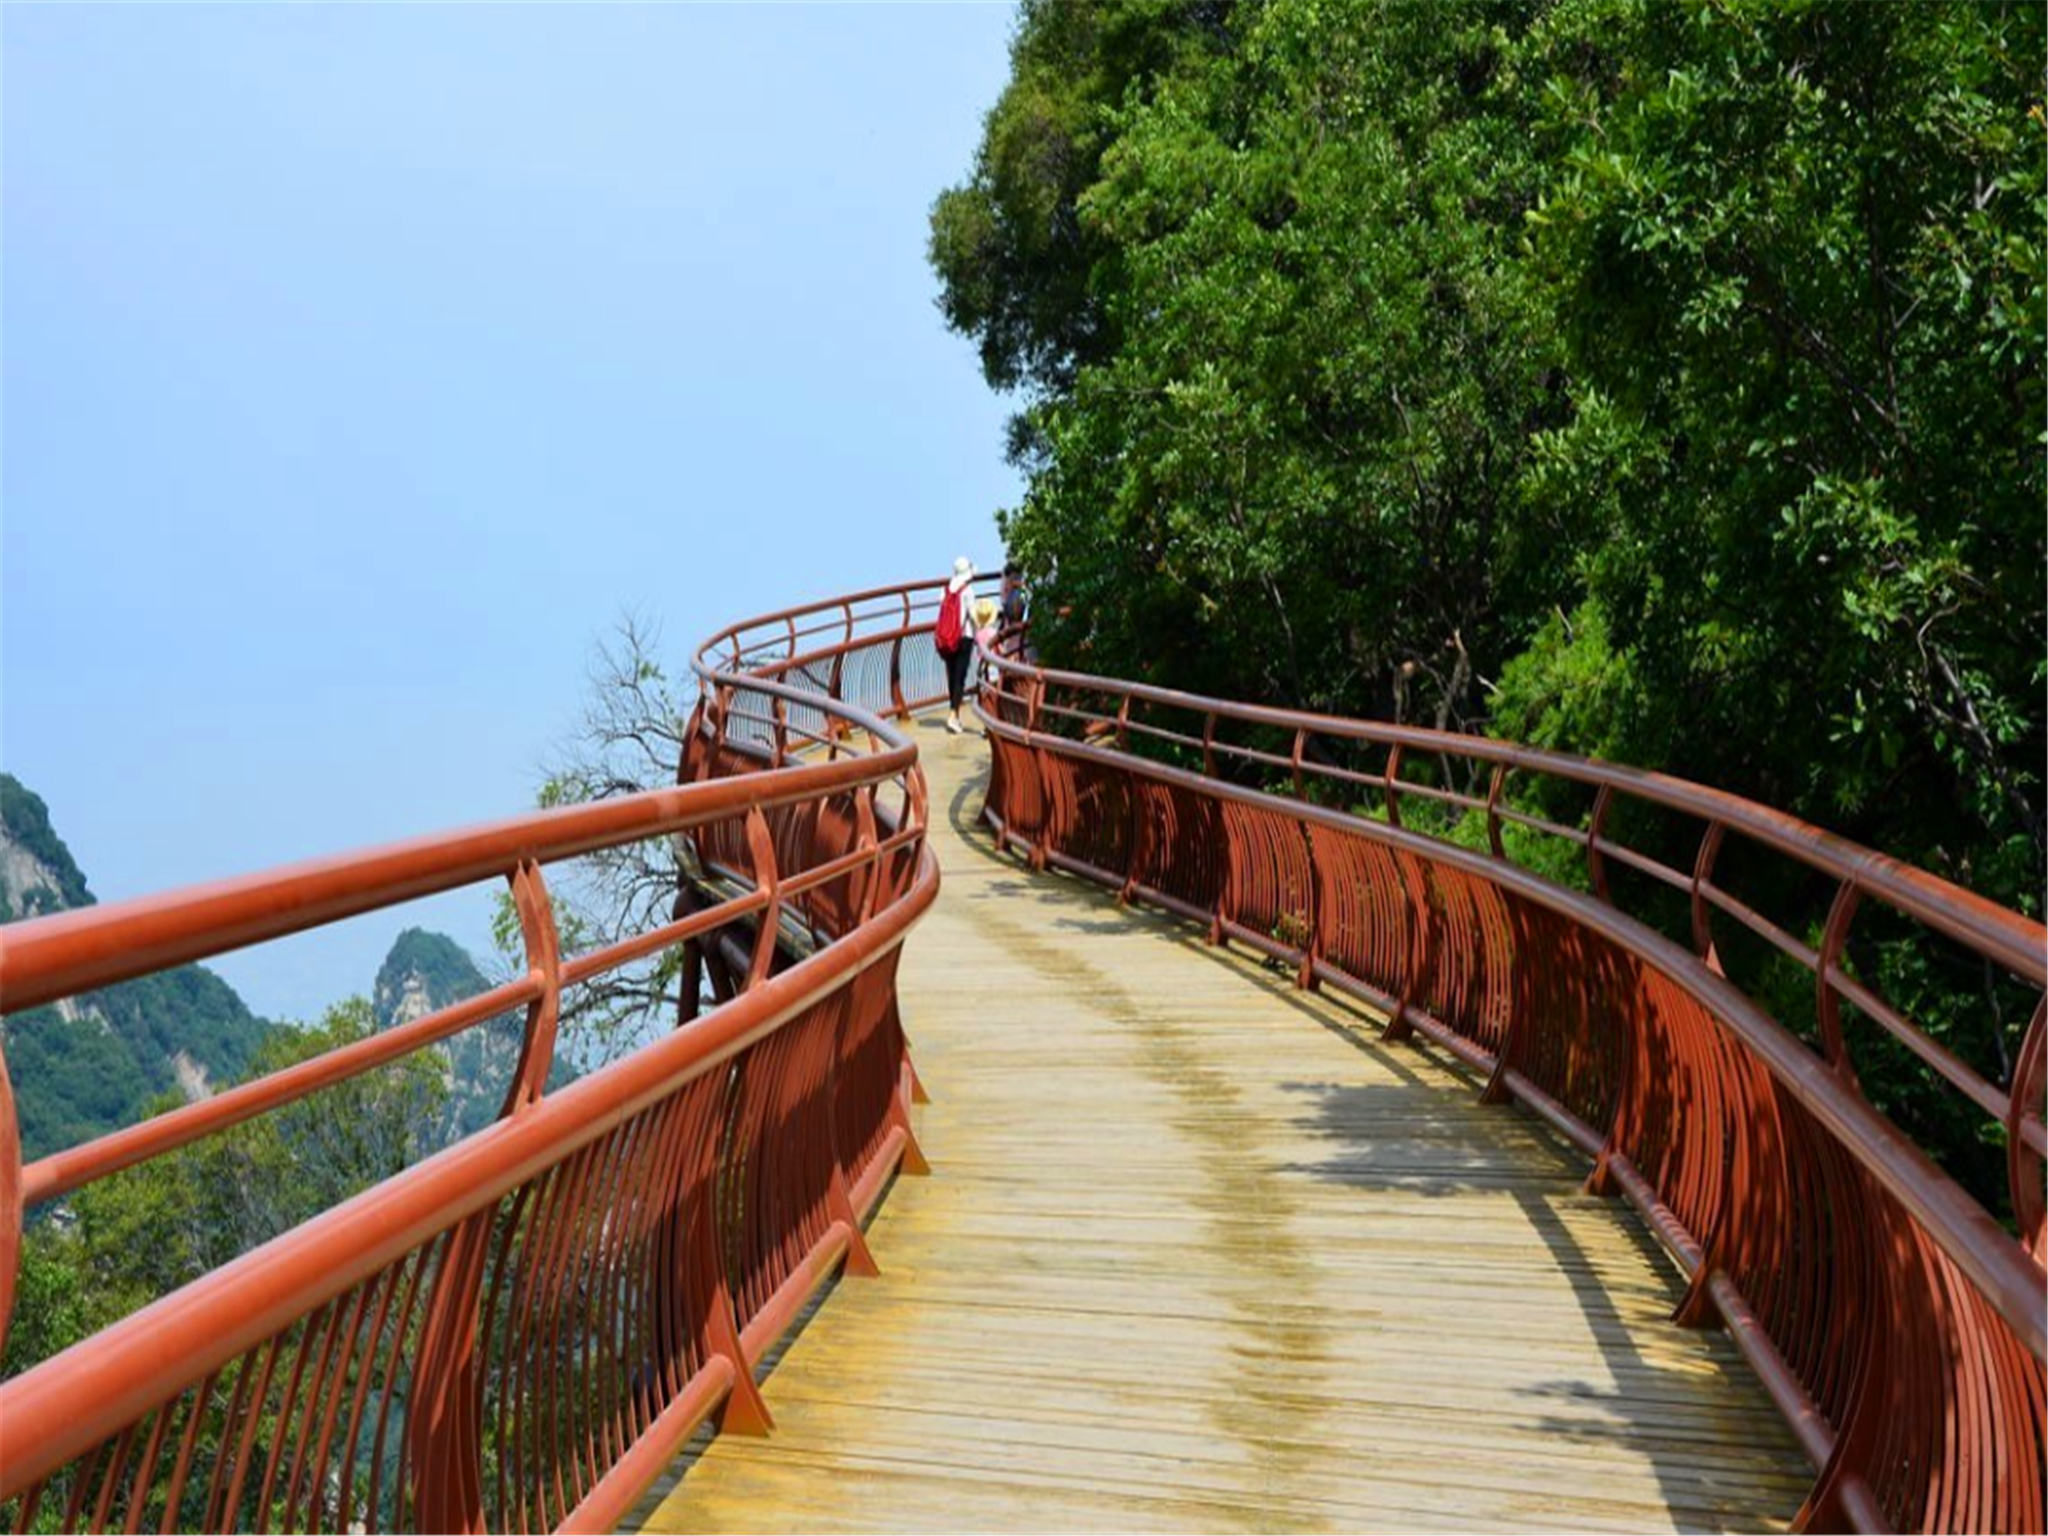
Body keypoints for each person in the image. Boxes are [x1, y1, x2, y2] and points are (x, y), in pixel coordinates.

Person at [935, 556, 976, 733]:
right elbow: (973, 616)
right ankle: (953, 716)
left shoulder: (945, 590)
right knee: (960, 677)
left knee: (951, 676)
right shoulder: (968, 591)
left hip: (947, 639)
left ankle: (954, 714)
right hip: (963, 637)